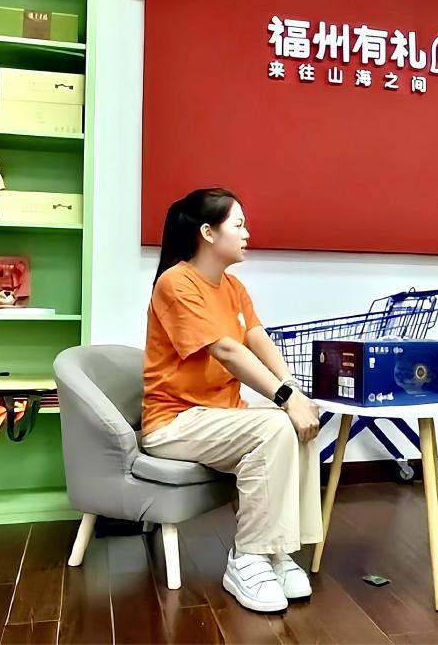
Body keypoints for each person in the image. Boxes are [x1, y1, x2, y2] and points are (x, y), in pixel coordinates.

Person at [140, 188, 323, 613]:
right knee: (276, 422)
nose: (247, 233)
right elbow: (226, 350)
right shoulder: (176, 282)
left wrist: (294, 392)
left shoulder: (234, 287)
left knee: (297, 423)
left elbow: (257, 339)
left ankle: (279, 549)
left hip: (220, 418)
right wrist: (284, 399)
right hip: (174, 423)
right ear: (208, 232)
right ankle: (248, 556)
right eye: (238, 224)